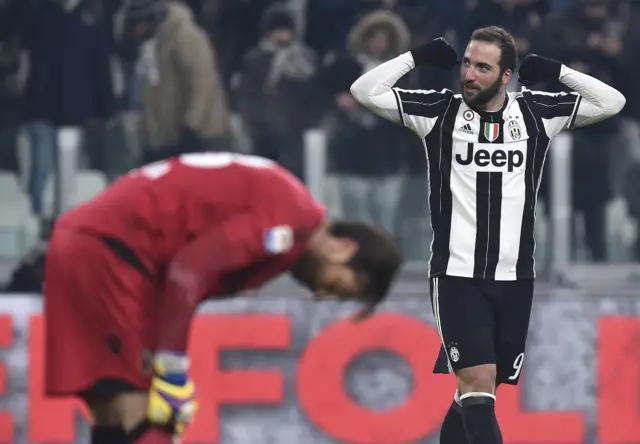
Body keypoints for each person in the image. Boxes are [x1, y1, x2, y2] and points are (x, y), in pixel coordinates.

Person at [350, 26, 625, 444]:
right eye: (467, 63)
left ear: (506, 75)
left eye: (483, 67)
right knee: (478, 381)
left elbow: (613, 101)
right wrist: (419, 54)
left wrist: (557, 70)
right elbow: (364, 90)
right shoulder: (439, 113)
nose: (470, 74)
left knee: (474, 394)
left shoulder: (535, 113)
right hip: (458, 275)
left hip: (516, 278)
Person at [43, 151, 403, 444]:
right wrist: (172, 368)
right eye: (337, 287)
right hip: (114, 253)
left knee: (112, 414)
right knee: (152, 416)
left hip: (90, 242)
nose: (321, 293)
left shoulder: (286, 208)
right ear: (343, 249)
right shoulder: (286, 224)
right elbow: (188, 271)